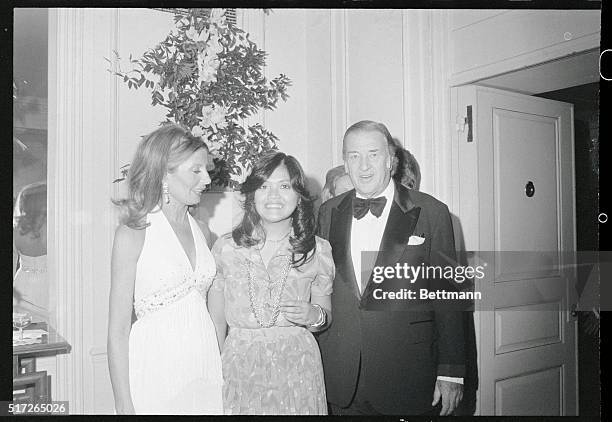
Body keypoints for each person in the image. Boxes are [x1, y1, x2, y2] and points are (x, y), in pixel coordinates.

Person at [317, 120, 465, 415]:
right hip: (342, 376)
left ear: (391, 160)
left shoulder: (432, 212)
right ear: (345, 162)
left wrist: (451, 371)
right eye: (354, 156)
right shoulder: (328, 211)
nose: (364, 166)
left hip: (407, 372)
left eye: (373, 154)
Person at [107, 124, 223, 414]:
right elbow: (118, 329)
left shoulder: (204, 232)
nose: (207, 179)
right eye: (196, 170)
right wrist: (123, 403)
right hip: (155, 372)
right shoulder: (133, 233)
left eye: (206, 169)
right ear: (163, 173)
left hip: (205, 368)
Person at [209, 151, 334, 415]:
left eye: (285, 186)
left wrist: (313, 315)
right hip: (238, 367)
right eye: (264, 186)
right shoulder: (226, 248)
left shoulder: (318, 250)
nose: (273, 196)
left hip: (298, 369)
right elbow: (216, 321)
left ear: (299, 195)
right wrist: (214, 369)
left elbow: (325, 316)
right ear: (252, 194)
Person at [13, 182, 51, 323]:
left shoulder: (16, 231)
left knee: (26, 333)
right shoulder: (54, 229)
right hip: (49, 285)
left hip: (22, 285)